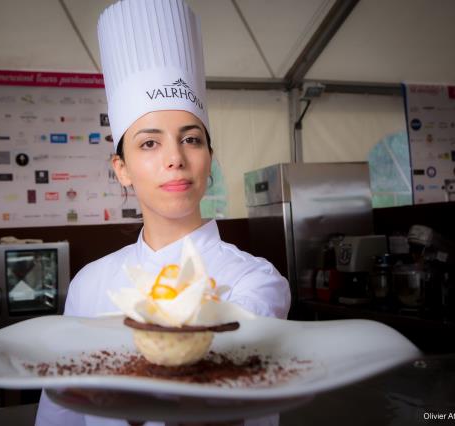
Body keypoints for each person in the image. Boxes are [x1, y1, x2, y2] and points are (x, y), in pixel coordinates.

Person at [35, 0, 290, 425]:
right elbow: (59, 414)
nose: (175, 158)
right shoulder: (90, 284)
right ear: (123, 170)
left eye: (191, 139)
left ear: (209, 157)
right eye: (149, 143)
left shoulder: (256, 281)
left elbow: (223, 382)